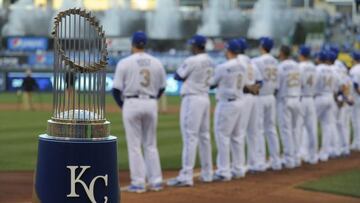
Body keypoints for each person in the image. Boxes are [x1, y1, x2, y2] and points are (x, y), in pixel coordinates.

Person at [112, 31, 166, 193]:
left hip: (132, 102)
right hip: (150, 102)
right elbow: (162, 87)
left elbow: (115, 90)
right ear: (145, 44)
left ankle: (138, 183)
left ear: (132, 44)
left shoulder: (125, 62)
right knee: (150, 144)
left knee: (134, 145)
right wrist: (152, 100)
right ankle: (156, 181)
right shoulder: (156, 62)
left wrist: (124, 106)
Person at [167, 34, 214, 187]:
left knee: (190, 136)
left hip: (193, 99)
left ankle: (186, 175)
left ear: (196, 46)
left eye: (192, 45)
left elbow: (177, 76)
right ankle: (207, 174)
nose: (190, 47)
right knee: (204, 137)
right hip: (205, 98)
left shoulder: (192, 60)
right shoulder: (210, 60)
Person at [211, 39, 249, 181]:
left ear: (228, 50)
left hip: (227, 103)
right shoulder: (243, 66)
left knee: (223, 137)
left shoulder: (224, 66)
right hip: (240, 101)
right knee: (237, 137)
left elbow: (211, 83)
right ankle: (239, 169)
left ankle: (223, 171)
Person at [252, 37, 281, 171]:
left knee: (259, 129)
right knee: (271, 129)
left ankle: (260, 162)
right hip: (271, 97)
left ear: (262, 46)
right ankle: (276, 161)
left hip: (261, 97)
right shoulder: (276, 61)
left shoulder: (257, 61)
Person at [236, 38, 263, 172]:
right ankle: (254, 164)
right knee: (253, 132)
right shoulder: (251, 61)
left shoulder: (237, 61)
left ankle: (240, 166)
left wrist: (248, 88)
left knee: (240, 132)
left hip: (242, 97)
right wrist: (254, 89)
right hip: (253, 99)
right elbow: (260, 82)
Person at [277, 45, 302, 168]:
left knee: (286, 130)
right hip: (297, 98)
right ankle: (296, 157)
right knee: (295, 129)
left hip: (285, 99)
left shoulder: (281, 66)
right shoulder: (297, 65)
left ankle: (289, 160)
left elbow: (277, 86)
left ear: (282, 53)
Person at [314, 51, 338, 162]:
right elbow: (336, 87)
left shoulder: (318, 69)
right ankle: (325, 153)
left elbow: (314, 84)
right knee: (327, 126)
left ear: (319, 59)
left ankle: (310, 152)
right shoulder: (333, 70)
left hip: (319, 97)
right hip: (330, 97)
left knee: (311, 124)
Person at [297, 45, 318, 164]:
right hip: (311, 98)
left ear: (301, 54)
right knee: (312, 128)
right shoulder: (314, 67)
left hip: (301, 98)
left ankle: (300, 154)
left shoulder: (300, 66)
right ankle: (313, 156)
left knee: (299, 127)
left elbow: (298, 83)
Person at [350, 51, 360, 151]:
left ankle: (357, 143)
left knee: (356, 120)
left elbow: (355, 85)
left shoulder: (354, 70)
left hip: (357, 98)